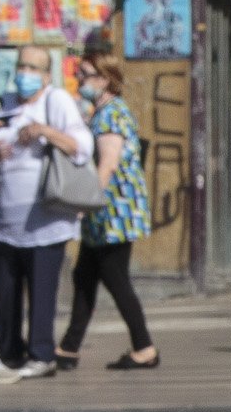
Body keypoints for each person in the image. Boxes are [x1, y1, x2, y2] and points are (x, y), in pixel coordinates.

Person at [0, 50, 96, 379]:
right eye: (21, 66)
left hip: (45, 216)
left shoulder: (56, 100)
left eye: (32, 67)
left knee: (42, 288)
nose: (24, 73)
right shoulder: (6, 103)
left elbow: (82, 145)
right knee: (5, 290)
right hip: (4, 217)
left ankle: (42, 353)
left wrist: (45, 130)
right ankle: (9, 352)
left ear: (47, 75)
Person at [59, 54, 158, 371]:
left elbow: (108, 163)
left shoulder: (111, 114)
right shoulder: (102, 112)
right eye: (79, 73)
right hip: (106, 211)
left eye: (86, 75)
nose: (80, 80)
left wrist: (86, 202)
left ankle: (144, 347)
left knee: (115, 279)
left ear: (105, 79)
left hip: (113, 211)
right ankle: (69, 348)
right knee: (85, 275)